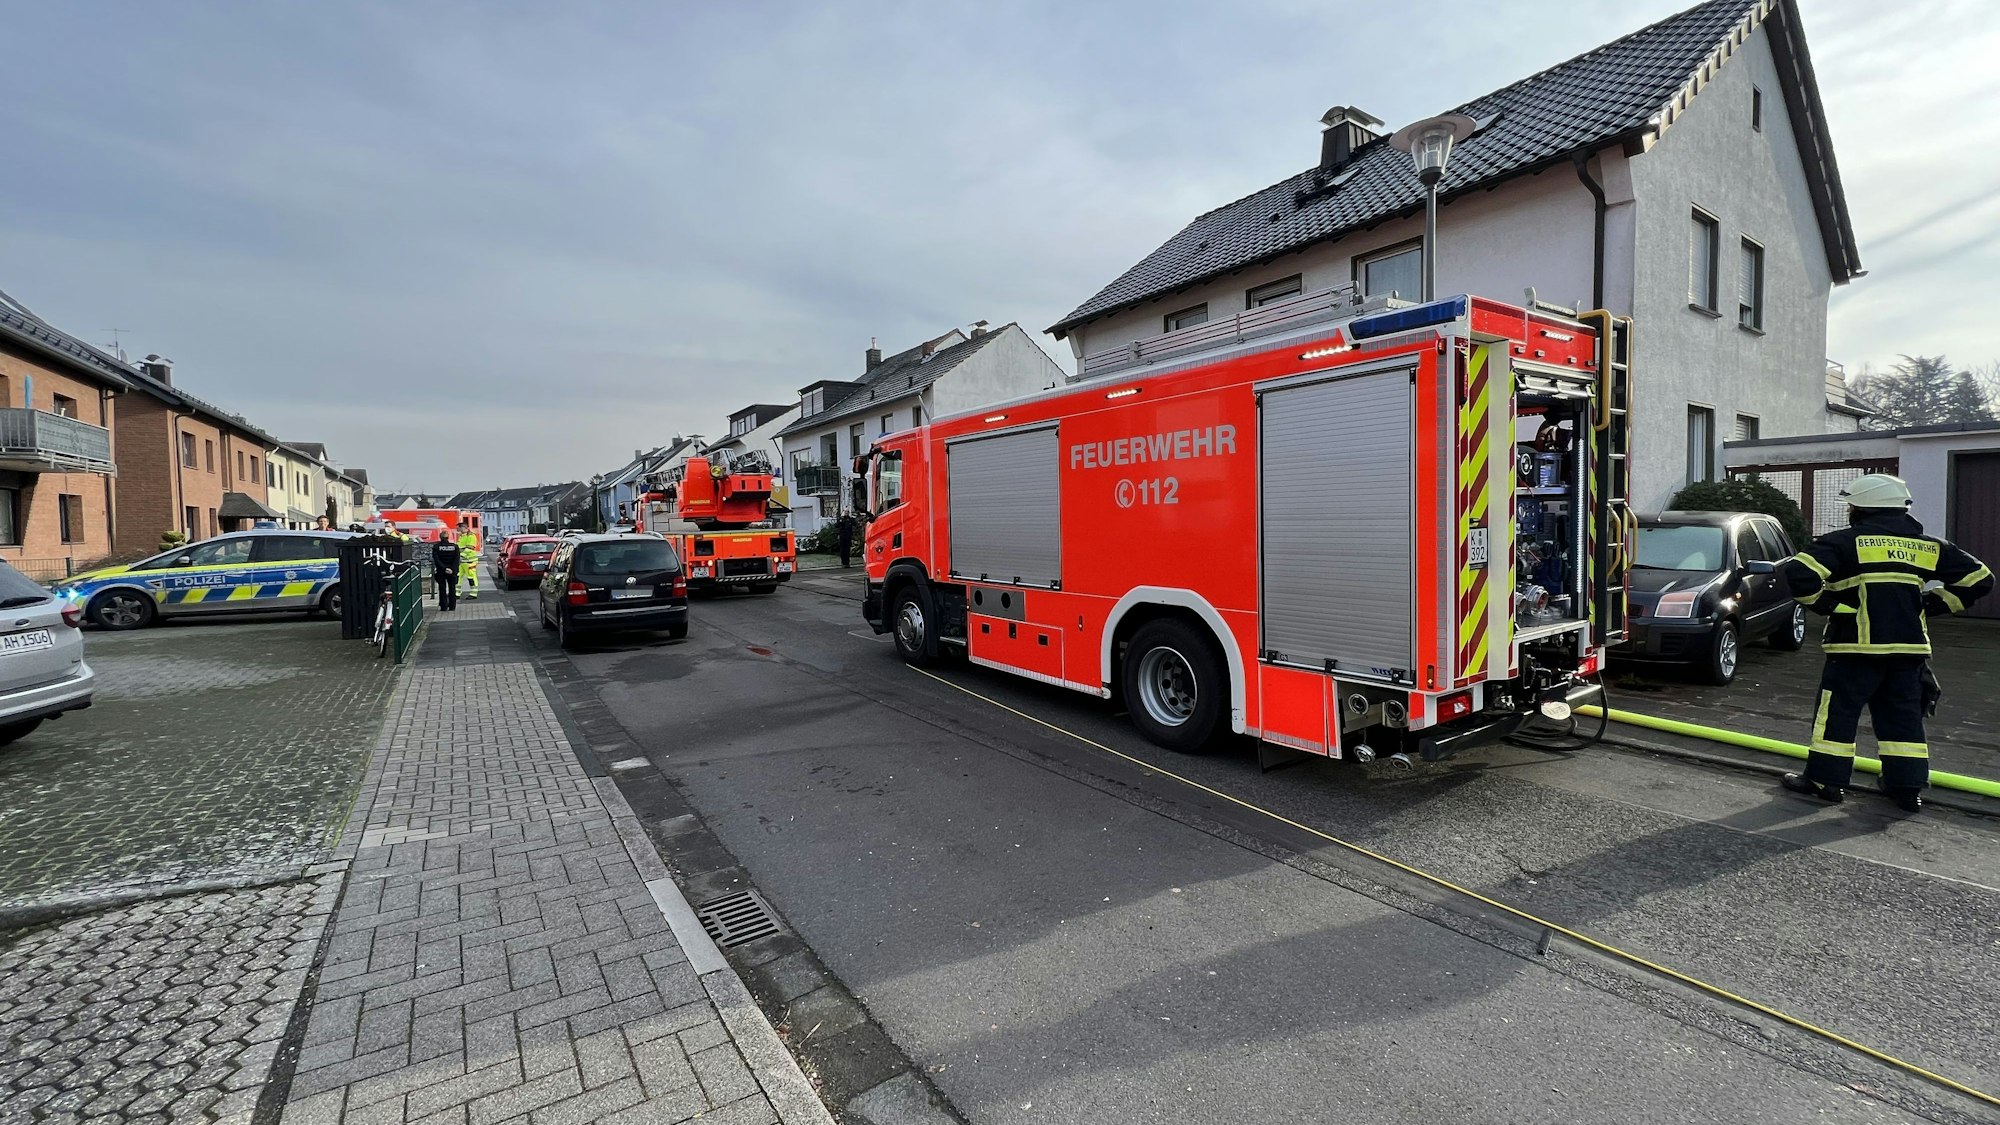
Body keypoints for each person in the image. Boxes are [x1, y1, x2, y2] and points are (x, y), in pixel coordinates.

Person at [1778, 473, 1991, 812]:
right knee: (1903, 719)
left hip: (1854, 649)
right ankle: (1906, 789)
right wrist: (1933, 603)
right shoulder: (1929, 546)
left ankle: (1825, 782)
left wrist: (1831, 606)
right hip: (1908, 651)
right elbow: (1980, 579)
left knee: (1837, 716)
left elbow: (1800, 573)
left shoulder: (1844, 542)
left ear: (1861, 508)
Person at [430, 531, 462, 611]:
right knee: (452, 588)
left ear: (440, 537)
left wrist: (444, 568)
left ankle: (443, 606)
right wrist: (451, 569)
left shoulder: (436, 547)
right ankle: (452, 606)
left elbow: (436, 560)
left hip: (441, 571)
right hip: (452, 571)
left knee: (442, 588)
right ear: (448, 537)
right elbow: (457, 560)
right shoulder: (455, 547)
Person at [457, 522, 481, 599]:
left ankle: (473, 593)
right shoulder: (462, 536)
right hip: (461, 561)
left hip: (470, 561)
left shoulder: (470, 536)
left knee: (471, 577)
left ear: (463, 527)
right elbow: (460, 547)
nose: (457, 529)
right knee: (458, 577)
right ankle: (457, 593)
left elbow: (470, 548)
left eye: (458, 528)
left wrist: (459, 554)